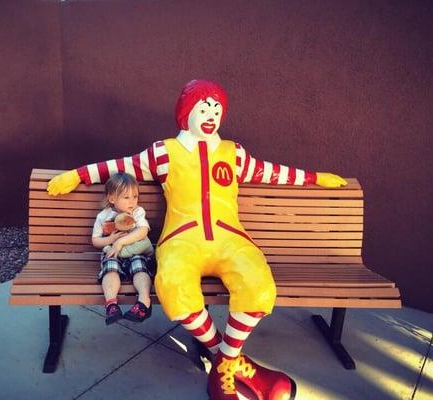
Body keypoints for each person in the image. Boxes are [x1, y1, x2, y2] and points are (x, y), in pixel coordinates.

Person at [47, 79, 347, 399]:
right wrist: (77, 175)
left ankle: (222, 368)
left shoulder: (235, 154)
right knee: (174, 287)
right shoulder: (164, 152)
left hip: (232, 239)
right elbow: (119, 167)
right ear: (186, 112)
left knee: (259, 287)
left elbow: (275, 172)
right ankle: (231, 364)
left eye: (217, 109)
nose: (211, 114)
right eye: (204, 107)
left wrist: (316, 179)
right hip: (181, 239)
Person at [92, 172, 154, 325]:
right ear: (112, 198)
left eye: (135, 196)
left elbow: (143, 231)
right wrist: (111, 240)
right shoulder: (103, 216)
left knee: (140, 267)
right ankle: (112, 304)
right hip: (113, 253)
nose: (132, 201)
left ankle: (144, 301)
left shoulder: (138, 212)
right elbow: (95, 240)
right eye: (126, 197)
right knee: (110, 268)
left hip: (135, 252)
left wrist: (121, 242)